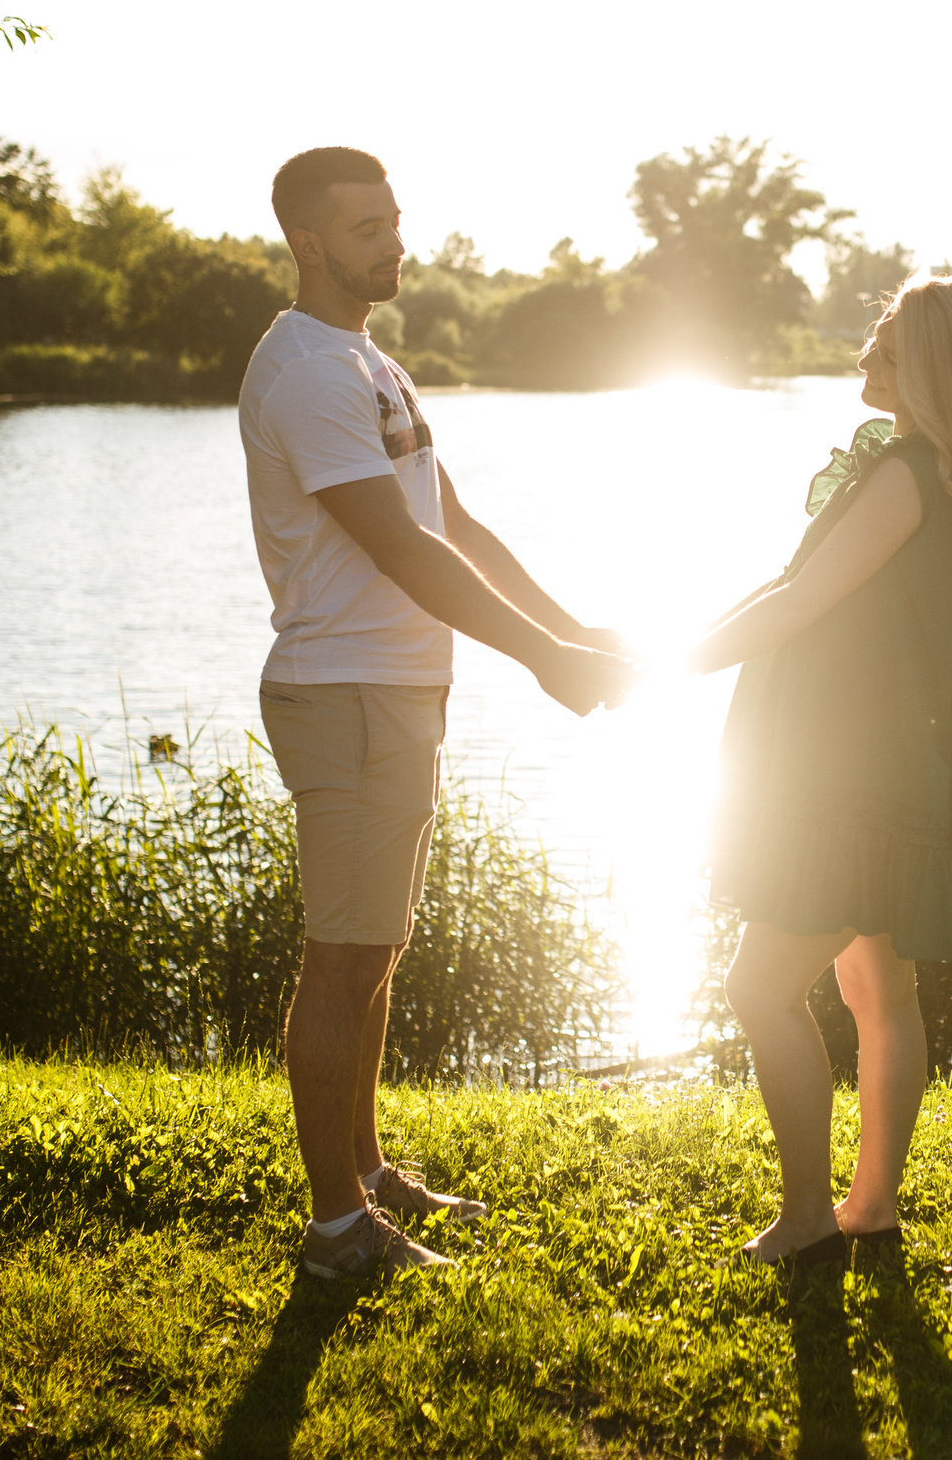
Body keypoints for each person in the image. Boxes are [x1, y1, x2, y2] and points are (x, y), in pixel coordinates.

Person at [241, 146, 632, 1281]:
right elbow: (397, 547)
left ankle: (365, 1175)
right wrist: (541, 658)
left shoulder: (368, 360)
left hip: (396, 689)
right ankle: (337, 1232)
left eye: (394, 220)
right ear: (309, 241)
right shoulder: (308, 371)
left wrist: (574, 628)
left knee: (376, 951)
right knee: (340, 961)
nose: (392, 242)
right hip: (347, 689)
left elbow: (450, 520)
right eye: (365, 228)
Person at [691, 273, 952, 1268]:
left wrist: (661, 668)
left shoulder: (903, 473)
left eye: (885, 342)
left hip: (853, 779)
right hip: (900, 771)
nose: (864, 351)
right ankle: (871, 1208)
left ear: (926, 367)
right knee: (874, 988)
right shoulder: (944, 473)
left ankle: (811, 1215)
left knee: (759, 987)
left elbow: (801, 600)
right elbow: (792, 585)